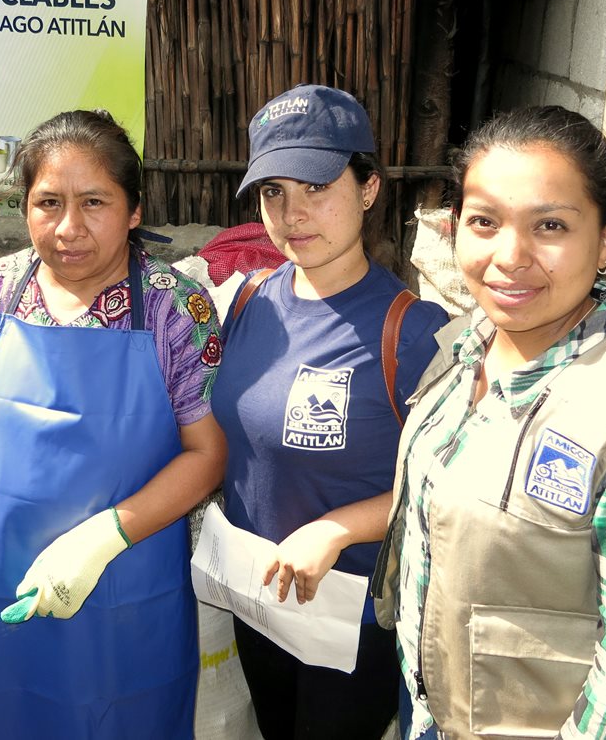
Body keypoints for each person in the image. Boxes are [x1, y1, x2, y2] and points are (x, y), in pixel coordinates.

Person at [374, 106, 606, 739]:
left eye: (551, 225)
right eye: (485, 222)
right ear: (454, 228)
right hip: (428, 709)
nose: (510, 257)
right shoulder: (462, 345)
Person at [0, 109, 228, 739]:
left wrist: (104, 539)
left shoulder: (176, 307)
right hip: (3, 576)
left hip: (128, 578)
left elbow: (206, 454)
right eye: (48, 203)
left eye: (95, 202)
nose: (69, 228)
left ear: (134, 210)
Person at [210, 84, 450, 739]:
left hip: (347, 621)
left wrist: (339, 527)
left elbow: (450, 485)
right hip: (258, 600)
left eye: (317, 186)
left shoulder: (414, 332)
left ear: (369, 187)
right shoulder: (251, 298)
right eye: (273, 193)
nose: (293, 214)